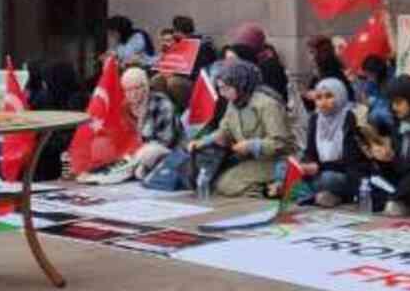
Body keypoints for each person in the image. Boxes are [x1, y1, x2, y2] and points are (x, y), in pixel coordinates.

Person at [189, 60, 295, 197]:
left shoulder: (267, 104)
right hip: (251, 159)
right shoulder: (234, 104)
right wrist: (203, 141)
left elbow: (281, 143)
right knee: (214, 180)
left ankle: (271, 190)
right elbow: (225, 130)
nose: (222, 93)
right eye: (220, 88)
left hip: (275, 161)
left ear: (240, 84)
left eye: (226, 88)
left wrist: (251, 146)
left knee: (227, 184)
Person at [364, 75, 410, 215]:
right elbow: (397, 168)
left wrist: (395, 160)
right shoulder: (398, 125)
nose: (394, 108)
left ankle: (398, 201)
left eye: (398, 102)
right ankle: (396, 199)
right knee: (368, 181)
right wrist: (384, 159)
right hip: (403, 178)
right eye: (391, 103)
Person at [293, 78, 367, 208]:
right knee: (281, 169)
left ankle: (309, 195)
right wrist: (306, 164)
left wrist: (318, 167)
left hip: (343, 174)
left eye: (328, 96)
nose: (323, 102)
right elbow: (310, 151)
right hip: (319, 173)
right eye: (319, 98)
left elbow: (351, 161)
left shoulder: (349, 117)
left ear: (340, 96)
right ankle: (321, 196)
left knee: (328, 179)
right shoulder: (315, 119)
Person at [130, 68, 181, 180]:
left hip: (163, 149)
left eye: (137, 88)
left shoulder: (162, 103)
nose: (133, 93)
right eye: (128, 90)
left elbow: (166, 140)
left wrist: (139, 149)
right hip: (132, 152)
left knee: (147, 153)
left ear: (145, 87)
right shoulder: (124, 106)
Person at [354, 55, 396, 133]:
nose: (368, 77)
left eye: (369, 74)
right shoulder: (372, 80)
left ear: (376, 71)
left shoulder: (390, 80)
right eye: (366, 74)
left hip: (390, 111)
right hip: (380, 106)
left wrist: (371, 102)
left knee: (374, 115)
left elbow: (388, 102)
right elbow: (367, 93)